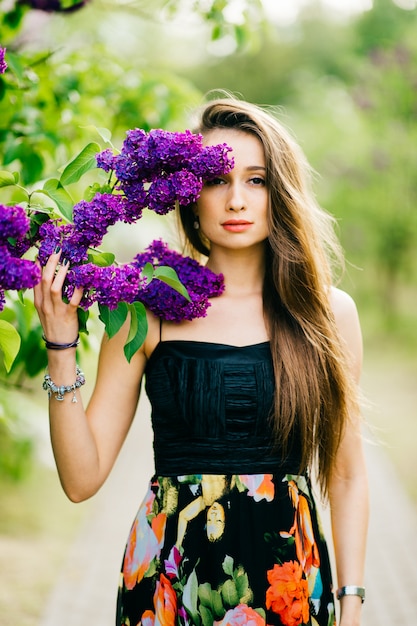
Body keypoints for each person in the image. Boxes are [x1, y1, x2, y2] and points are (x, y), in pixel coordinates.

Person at [34, 96, 368, 626]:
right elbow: (81, 479)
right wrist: (60, 345)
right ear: (190, 194)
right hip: (168, 580)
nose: (236, 199)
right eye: (218, 180)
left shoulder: (327, 313)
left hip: (291, 584)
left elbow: (346, 476)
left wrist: (351, 601)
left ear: (280, 192)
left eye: (256, 180)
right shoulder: (144, 311)